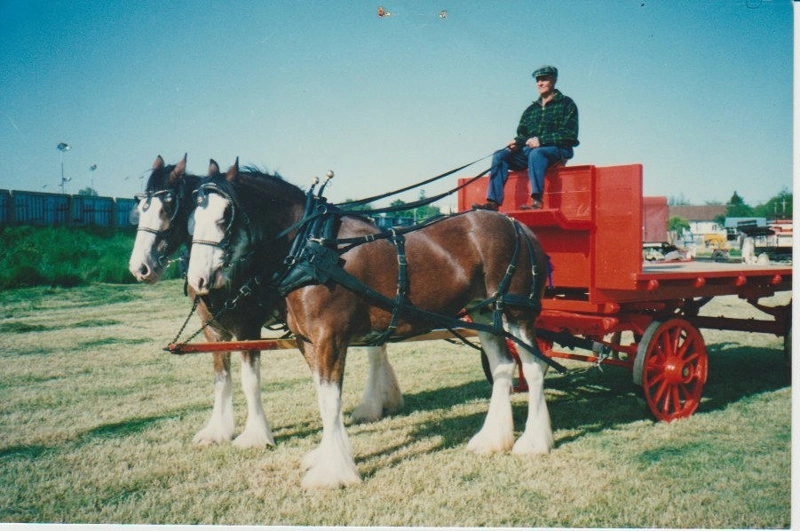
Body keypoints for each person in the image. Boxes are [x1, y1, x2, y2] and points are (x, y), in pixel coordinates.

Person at [474, 65, 579, 210]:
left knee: (537, 153)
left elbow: (569, 135)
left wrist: (541, 141)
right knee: (500, 155)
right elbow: (523, 135)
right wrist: (517, 142)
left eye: (544, 79)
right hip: (530, 153)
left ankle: (537, 201)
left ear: (554, 80)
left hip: (558, 151)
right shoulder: (530, 110)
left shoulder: (567, 104)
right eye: (538, 80)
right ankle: (493, 202)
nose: (540, 83)